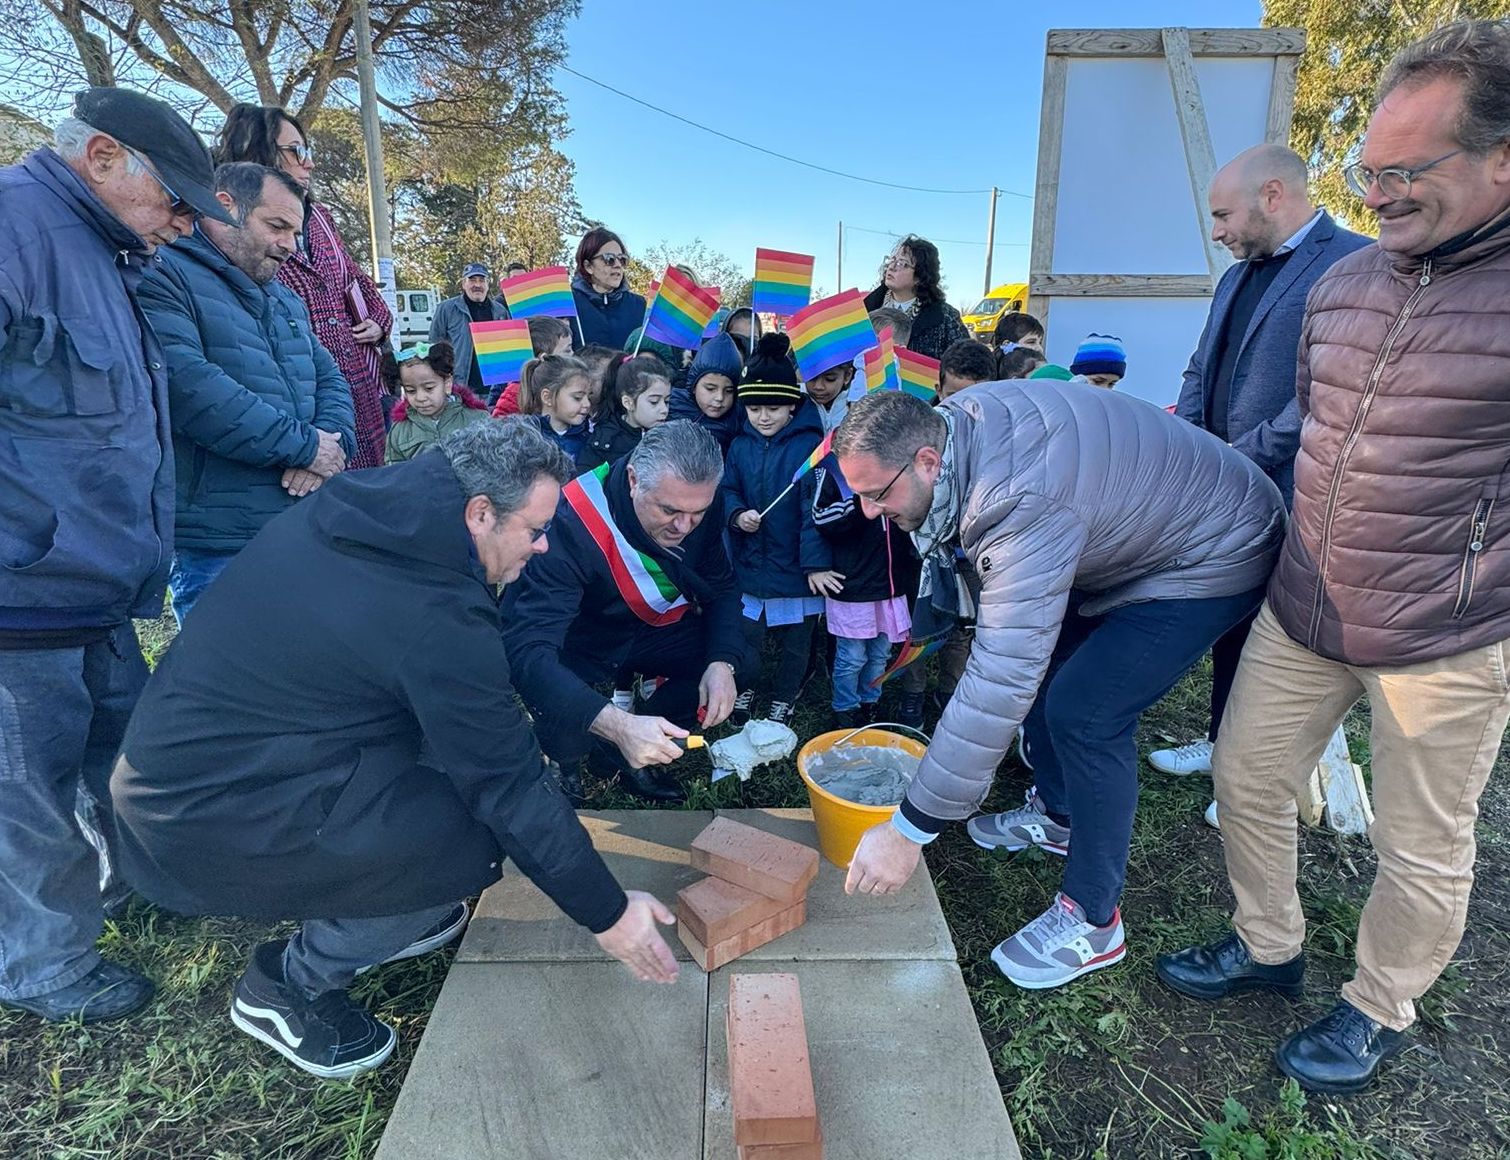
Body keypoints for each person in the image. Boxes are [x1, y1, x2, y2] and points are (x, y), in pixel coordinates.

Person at [1158, 20, 1510, 1095]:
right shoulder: (1344, 285)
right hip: (1303, 603)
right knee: (1245, 774)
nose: (1382, 194)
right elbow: (1302, 425)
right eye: (1371, 171)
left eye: (1409, 172)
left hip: (1443, 638)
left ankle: (1377, 1003)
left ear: (1500, 160)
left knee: (1421, 847)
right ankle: (1268, 945)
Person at [110, 421, 679, 1079]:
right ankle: (292, 983)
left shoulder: (369, 511)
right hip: (205, 814)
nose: (545, 544)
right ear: (480, 512)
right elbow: (508, 784)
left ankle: (395, 904)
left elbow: (478, 699)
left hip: (217, 757)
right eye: (534, 529)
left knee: (459, 783)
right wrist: (608, 913)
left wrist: (604, 724)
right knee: (469, 834)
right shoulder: (430, 608)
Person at [832, 387, 1285, 992]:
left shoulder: (1014, 500)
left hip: (1215, 548)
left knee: (1086, 714)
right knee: (1051, 670)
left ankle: (1094, 920)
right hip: (1138, 526)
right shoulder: (957, 427)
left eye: (875, 494)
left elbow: (1001, 672)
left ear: (926, 461)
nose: (865, 513)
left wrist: (909, 828)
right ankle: (1060, 813)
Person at [0, 88, 231, 1026]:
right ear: (102, 157)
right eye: (175, 199)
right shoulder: (16, 229)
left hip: (90, 585)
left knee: (117, 753)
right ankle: (42, 965)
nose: (184, 222)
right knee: (29, 790)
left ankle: (123, 890)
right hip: (21, 591)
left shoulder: (103, 251)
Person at [1148, 144, 1370, 782]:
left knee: (1277, 638)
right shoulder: (1236, 273)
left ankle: (1258, 775)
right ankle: (1223, 742)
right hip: (1226, 483)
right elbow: (1200, 368)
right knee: (1232, 618)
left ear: (1273, 195)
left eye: (1223, 215)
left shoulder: (1355, 262)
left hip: (1292, 490)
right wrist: (1187, 449)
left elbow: (1328, 394)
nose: (1216, 232)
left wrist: (1236, 461)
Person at [139, 162, 356, 625]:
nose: (288, 246)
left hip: (301, 523)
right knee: (231, 689)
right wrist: (306, 447)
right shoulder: (163, 274)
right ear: (225, 206)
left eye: (295, 233)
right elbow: (191, 389)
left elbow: (332, 380)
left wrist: (330, 446)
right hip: (219, 544)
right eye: (276, 226)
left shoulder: (284, 297)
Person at [502, 422, 748, 804]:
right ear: (634, 479)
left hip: (653, 627)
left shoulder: (698, 499)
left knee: (737, 659)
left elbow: (722, 585)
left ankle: (627, 754)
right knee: (562, 708)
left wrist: (722, 663)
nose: (684, 526)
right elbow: (528, 651)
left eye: (697, 513)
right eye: (669, 510)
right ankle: (562, 761)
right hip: (582, 636)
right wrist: (613, 722)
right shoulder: (571, 521)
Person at [214, 105, 391, 470]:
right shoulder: (228, 233)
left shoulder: (321, 217)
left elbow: (352, 276)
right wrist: (305, 447)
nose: (308, 164)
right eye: (297, 152)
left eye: (308, 152)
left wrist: (377, 319)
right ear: (256, 151)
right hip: (294, 411)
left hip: (354, 392)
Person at [722, 335, 836, 729]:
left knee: (795, 643)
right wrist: (736, 515)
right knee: (748, 638)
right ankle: (747, 686)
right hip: (752, 565)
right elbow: (727, 490)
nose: (763, 417)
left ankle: (785, 696)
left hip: (797, 567)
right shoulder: (738, 447)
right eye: (754, 408)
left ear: (792, 404)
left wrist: (816, 564)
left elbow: (814, 509)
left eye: (773, 407)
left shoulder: (811, 448)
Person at [812, 451, 919, 730]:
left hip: (892, 586)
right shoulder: (834, 467)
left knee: (880, 655)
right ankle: (845, 709)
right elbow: (821, 518)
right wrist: (861, 507)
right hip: (853, 586)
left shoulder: (901, 459)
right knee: (851, 657)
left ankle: (870, 703)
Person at [863, 236, 969, 361]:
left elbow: (965, 361)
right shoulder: (865, 309)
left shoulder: (945, 317)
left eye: (903, 264)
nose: (891, 267)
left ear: (920, 276)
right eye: (892, 260)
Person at [383, 342, 490, 464]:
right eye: (411, 391)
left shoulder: (479, 420)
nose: (420, 397)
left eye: (429, 388)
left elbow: (494, 465)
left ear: (447, 384)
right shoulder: (400, 430)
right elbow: (394, 472)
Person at [577, 353, 671, 471]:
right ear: (628, 402)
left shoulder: (670, 436)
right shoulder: (603, 442)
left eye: (667, 401)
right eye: (654, 401)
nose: (664, 410)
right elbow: (585, 483)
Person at [429, 262, 511, 397]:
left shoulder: (500, 311)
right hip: (460, 388)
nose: (477, 285)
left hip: (493, 391)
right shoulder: (446, 309)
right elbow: (433, 346)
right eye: (472, 280)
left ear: (487, 284)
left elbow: (508, 348)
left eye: (482, 280)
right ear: (463, 284)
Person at [571, 227, 646, 350]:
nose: (617, 265)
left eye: (622, 259)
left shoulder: (640, 305)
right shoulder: (568, 305)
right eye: (609, 259)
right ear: (588, 266)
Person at [670, 331, 744, 451]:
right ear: (693, 386)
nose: (720, 397)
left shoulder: (739, 419)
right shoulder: (671, 404)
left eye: (729, 391)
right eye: (710, 388)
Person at [491, 317, 576, 417]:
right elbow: (500, 427)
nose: (573, 354)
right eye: (567, 350)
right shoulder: (516, 394)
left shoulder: (567, 386)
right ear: (544, 358)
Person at [519, 354, 593, 460]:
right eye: (578, 397)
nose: (587, 404)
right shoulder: (523, 440)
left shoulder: (591, 440)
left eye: (589, 396)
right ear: (547, 397)